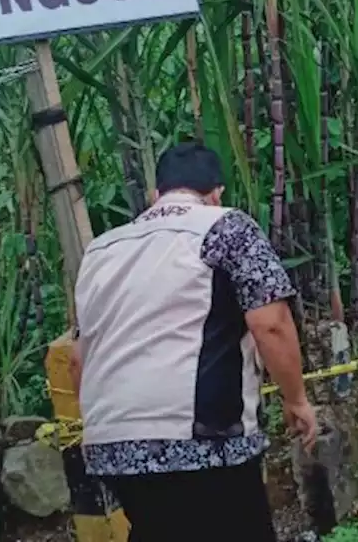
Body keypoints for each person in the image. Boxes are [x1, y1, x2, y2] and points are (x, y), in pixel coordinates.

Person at [70, 141, 317, 542]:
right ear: (216, 193)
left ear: (155, 195)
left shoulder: (100, 251)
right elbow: (270, 323)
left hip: (111, 446)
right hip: (201, 442)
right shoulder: (225, 226)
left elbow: (78, 362)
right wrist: (296, 400)